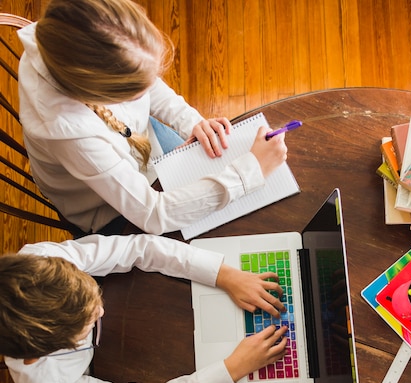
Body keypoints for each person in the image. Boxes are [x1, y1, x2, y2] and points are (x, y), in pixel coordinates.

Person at [17, 0, 288, 236]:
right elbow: (153, 214)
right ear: (103, 92)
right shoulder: (69, 133)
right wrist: (249, 172)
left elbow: (147, 82)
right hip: (108, 210)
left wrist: (189, 121)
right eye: (137, 92)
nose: (150, 89)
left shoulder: (82, 32)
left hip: (140, 145)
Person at [0, 233, 288, 383]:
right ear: (37, 356)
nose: (101, 311)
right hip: (122, 363)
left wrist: (224, 275)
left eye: (93, 298)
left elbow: (139, 248)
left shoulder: (42, 261)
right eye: (86, 321)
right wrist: (232, 370)